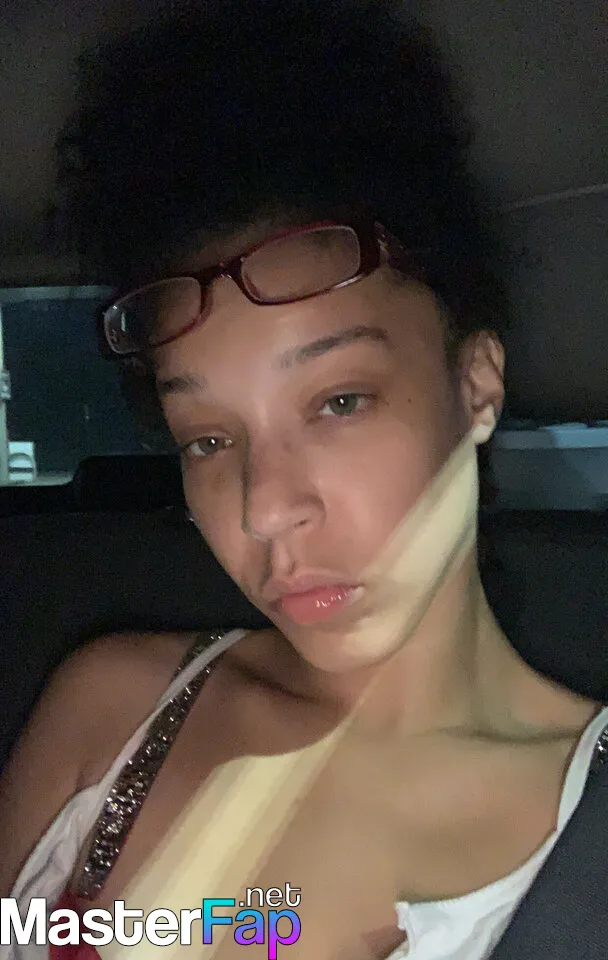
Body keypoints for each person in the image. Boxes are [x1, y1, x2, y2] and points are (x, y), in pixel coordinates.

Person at [1, 2, 606, 958]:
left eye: (339, 402)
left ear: (476, 386)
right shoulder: (110, 710)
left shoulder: (589, 846)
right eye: (208, 439)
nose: (265, 508)